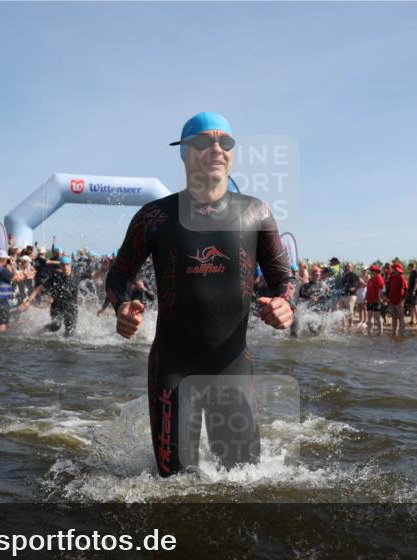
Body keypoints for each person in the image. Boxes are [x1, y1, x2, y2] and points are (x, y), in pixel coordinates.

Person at [105, 112, 296, 477]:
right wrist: (122, 307)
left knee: (244, 484)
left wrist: (286, 303)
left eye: (225, 142)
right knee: (172, 485)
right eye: (205, 141)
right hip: (173, 368)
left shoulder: (256, 212)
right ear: (184, 152)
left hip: (233, 366)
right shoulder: (155, 217)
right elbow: (119, 274)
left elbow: (284, 277)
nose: (217, 149)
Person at [386, 260, 407, 336]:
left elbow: (406, 289)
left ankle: (402, 333)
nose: (392, 269)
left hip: (399, 300)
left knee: (401, 317)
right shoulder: (392, 277)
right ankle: (394, 332)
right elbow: (388, 287)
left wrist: (402, 300)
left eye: (393, 268)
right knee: (394, 317)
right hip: (392, 299)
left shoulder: (401, 277)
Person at [364, 265, 385, 335]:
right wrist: (365, 298)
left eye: (372, 271)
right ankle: (370, 331)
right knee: (369, 316)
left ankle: (380, 332)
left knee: (377, 316)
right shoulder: (370, 279)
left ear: (376, 271)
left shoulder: (379, 278)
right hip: (369, 300)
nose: (371, 272)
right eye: (371, 271)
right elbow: (368, 290)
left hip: (376, 300)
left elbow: (381, 289)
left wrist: (380, 300)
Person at [406, 262, 417, 326]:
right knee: (411, 306)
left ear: (411, 267)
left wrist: (414, 290)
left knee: (415, 306)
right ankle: (412, 320)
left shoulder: (416, 272)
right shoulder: (411, 273)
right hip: (411, 292)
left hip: (414, 292)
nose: (408, 268)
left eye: (409, 267)